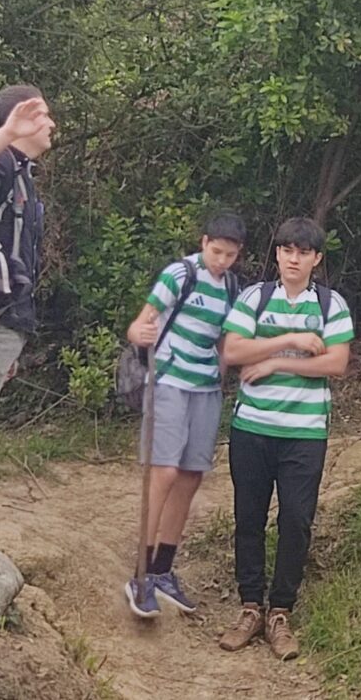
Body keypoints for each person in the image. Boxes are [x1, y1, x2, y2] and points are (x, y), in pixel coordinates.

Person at [218, 217, 353, 661]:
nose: (294, 259)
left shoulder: (331, 305)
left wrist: (277, 363)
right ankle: (250, 607)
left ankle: (280, 611)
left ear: (317, 258)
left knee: (296, 519)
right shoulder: (254, 298)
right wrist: (291, 340)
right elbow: (233, 350)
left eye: (303, 252)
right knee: (248, 518)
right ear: (276, 254)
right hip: (252, 428)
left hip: (305, 432)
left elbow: (336, 363)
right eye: (287, 250)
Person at [123, 213, 248, 619]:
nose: (222, 261)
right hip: (169, 380)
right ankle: (140, 572)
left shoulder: (231, 287)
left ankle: (163, 568)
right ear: (204, 241)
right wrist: (140, 333)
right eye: (217, 251)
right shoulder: (180, 274)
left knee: (192, 475)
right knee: (164, 471)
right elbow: (139, 325)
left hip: (207, 386)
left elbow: (226, 341)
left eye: (230, 255)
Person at [0, 88, 55, 518]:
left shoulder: (21, 172)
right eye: (44, 116)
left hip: (2, 320)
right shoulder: (2, 160)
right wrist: (6, 135)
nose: (52, 124)